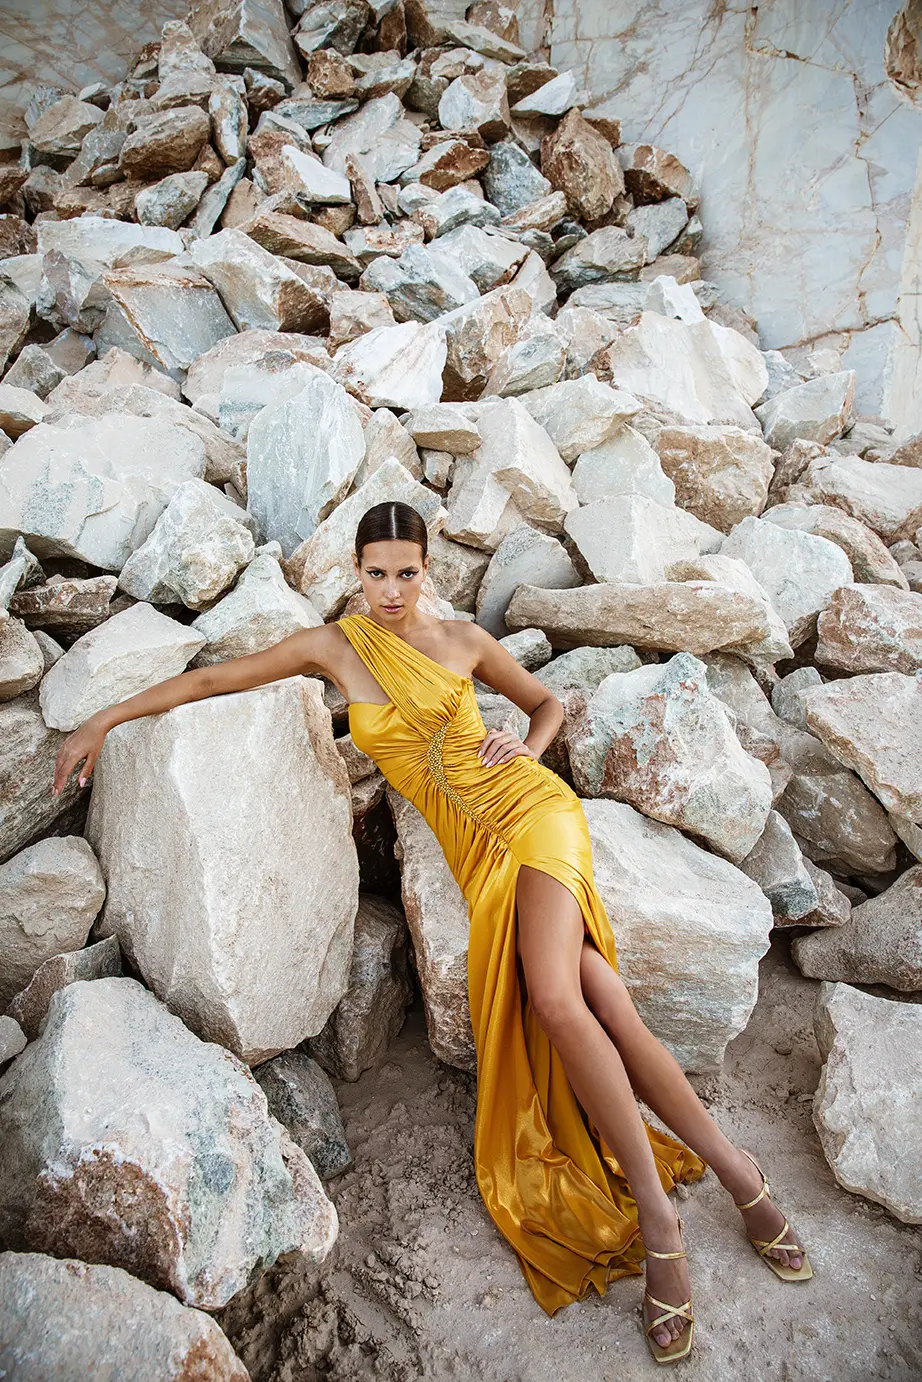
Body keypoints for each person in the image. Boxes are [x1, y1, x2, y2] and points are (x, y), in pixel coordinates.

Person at [52, 499, 812, 1364]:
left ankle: (660, 1218)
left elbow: (547, 704)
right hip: (473, 857)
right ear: (356, 571)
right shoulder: (332, 647)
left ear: (427, 569)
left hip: (532, 817)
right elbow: (210, 682)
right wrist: (103, 719)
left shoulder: (462, 641)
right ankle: (741, 1176)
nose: (390, 589)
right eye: (375, 573)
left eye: (406, 572)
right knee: (598, 994)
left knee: (557, 999)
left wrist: (529, 747)